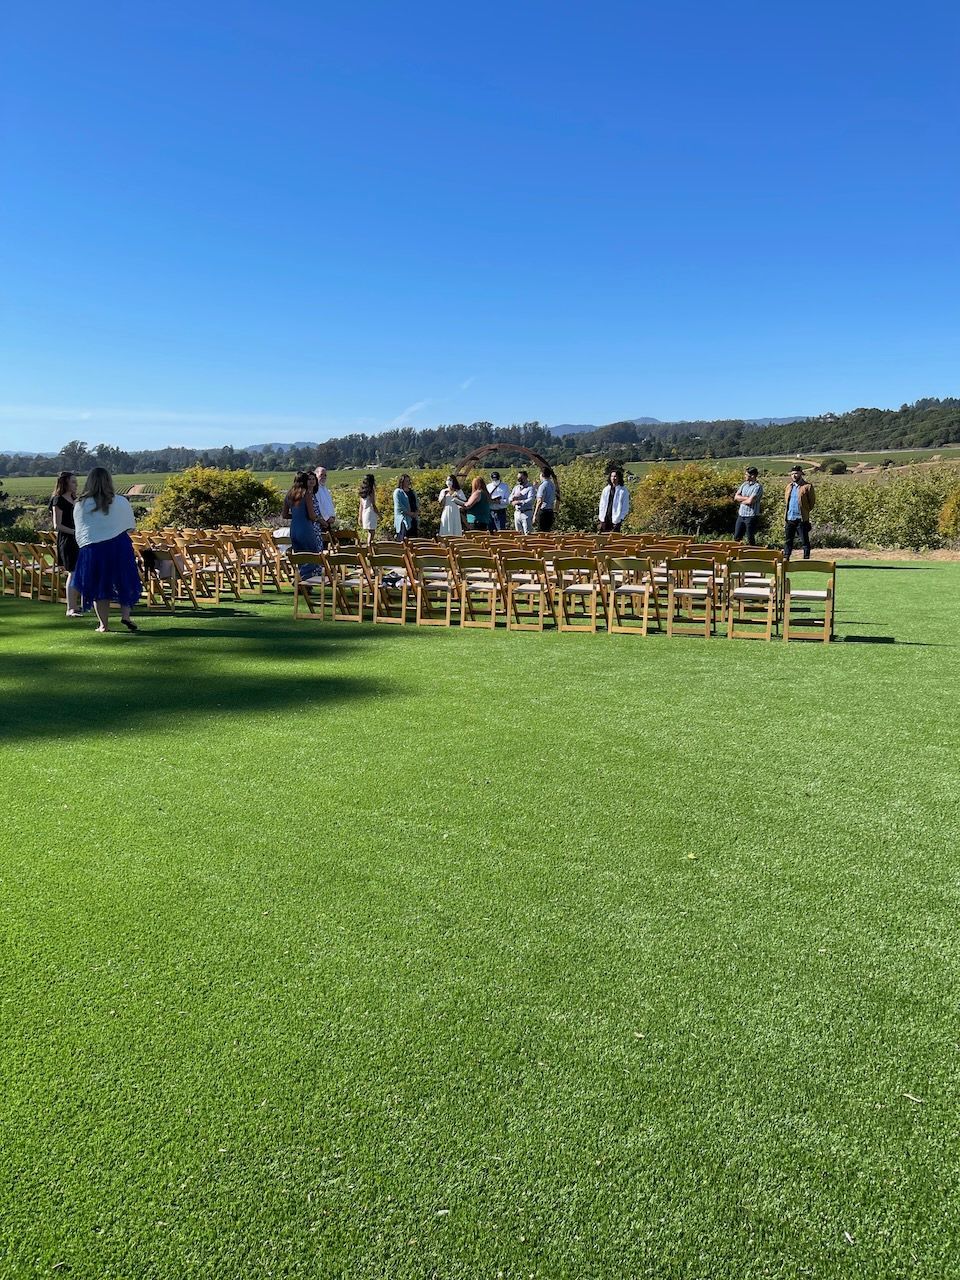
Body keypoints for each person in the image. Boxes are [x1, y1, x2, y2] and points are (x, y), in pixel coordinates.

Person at [72, 467, 141, 632]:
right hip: (119, 545)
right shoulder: (121, 501)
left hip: (93, 549)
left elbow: (81, 529)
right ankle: (126, 616)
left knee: (99, 587)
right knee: (125, 580)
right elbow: (130, 527)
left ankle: (104, 625)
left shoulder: (81, 504)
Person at [49, 470, 80, 616]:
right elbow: (57, 525)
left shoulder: (76, 499)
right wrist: (74, 532)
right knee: (73, 572)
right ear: (65, 483)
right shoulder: (58, 500)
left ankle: (80, 605)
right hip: (68, 540)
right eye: (73, 482)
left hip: (80, 539)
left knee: (80, 571)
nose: (76, 484)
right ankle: (71, 608)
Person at [283, 471, 324, 556]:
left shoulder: (289, 495)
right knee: (312, 556)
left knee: (299, 556)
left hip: (294, 529)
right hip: (306, 529)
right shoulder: (306, 494)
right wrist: (320, 520)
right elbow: (312, 516)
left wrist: (297, 516)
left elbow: (285, 515)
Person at [783, 465, 815, 560]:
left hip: (801, 518)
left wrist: (805, 511)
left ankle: (806, 559)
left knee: (804, 540)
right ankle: (786, 558)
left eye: (796, 473)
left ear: (801, 473)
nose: (794, 475)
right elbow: (786, 501)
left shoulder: (807, 486)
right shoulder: (789, 486)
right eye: (792, 474)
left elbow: (811, 503)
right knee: (788, 540)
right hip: (790, 517)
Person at [733, 466, 764, 546]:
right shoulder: (744, 485)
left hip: (751, 516)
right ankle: (736, 552)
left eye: (746, 475)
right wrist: (746, 498)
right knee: (737, 536)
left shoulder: (758, 487)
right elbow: (736, 497)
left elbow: (751, 501)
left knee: (750, 537)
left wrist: (741, 500)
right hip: (741, 514)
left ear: (752, 476)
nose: (745, 476)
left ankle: (752, 551)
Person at [598, 467, 630, 532]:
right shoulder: (606, 490)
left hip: (616, 519)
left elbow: (625, 506)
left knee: (614, 537)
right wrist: (601, 517)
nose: (613, 478)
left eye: (615, 476)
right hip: (605, 518)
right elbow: (602, 504)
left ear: (619, 478)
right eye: (612, 476)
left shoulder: (623, 491)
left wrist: (621, 518)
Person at [313, 465, 337, 543]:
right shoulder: (316, 489)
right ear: (316, 475)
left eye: (325, 475)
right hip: (322, 522)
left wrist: (333, 516)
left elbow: (329, 504)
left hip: (329, 521)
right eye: (321, 475)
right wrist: (327, 518)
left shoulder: (325, 488)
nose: (323, 477)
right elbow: (319, 506)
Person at [509, 470, 536, 534]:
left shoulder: (530, 488)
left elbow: (531, 500)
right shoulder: (516, 487)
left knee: (528, 533)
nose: (519, 480)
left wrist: (519, 502)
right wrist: (513, 498)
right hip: (517, 513)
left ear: (526, 477)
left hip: (526, 513)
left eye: (521, 478)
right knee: (518, 533)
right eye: (518, 478)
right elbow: (509, 498)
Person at [533, 466, 557, 532]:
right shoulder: (552, 484)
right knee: (547, 531)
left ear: (542, 474)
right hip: (550, 511)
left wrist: (535, 515)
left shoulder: (543, 486)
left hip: (544, 512)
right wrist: (537, 488)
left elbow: (540, 501)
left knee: (541, 532)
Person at [357, 474, 379, 546]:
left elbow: (361, 506)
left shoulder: (362, 491)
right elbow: (373, 504)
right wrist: (379, 514)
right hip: (370, 513)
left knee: (370, 532)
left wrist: (360, 517)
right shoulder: (371, 491)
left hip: (364, 513)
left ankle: (369, 546)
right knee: (372, 532)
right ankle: (369, 547)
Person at [393, 475, 413, 541]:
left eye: (409, 481)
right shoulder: (398, 492)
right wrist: (409, 513)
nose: (408, 482)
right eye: (406, 481)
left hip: (413, 518)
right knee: (403, 539)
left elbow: (416, 502)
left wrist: (416, 512)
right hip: (403, 519)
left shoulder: (412, 492)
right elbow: (399, 506)